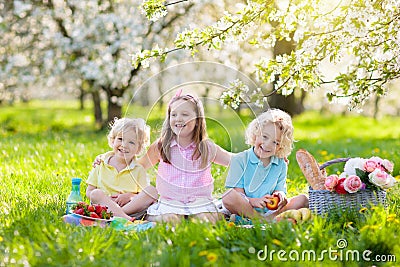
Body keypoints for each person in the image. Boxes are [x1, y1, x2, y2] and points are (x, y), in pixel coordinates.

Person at [138, 90, 232, 224]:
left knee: (205, 221)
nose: (178, 118)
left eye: (185, 114)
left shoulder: (206, 147)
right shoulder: (161, 146)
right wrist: (107, 160)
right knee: (172, 221)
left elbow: (234, 160)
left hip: (199, 201)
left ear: (198, 120)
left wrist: (259, 153)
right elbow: (139, 166)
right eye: (174, 114)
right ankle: (150, 216)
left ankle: (220, 216)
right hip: (170, 201)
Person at [222, 109, 308, 223]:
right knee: (229, 196)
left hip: (270, 211)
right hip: (245, 208)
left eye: (275, 142)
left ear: (281, 147)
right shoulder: (240, 160)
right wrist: (254, 201)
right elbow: (238, 194)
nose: (267, 145)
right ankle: (260, 220)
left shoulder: (280, 164)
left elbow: (280, 189)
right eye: (264, 137)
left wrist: (280, 196)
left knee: (303, 199)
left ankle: (264, 220)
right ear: (255, 134)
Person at [86, 117, 157, 221]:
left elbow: (141, 195)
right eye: (120, 139)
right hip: (104, 207)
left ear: (139, 148)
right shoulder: (101, 163)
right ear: (113, 140)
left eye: (131, 142)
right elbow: (90, 191)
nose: (124, 145)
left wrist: (130, 196)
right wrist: (106, 199)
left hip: (130, 210)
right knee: (95, 193)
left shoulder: (138, 169)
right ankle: (124, 219)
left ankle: (119, 215)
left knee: (152, 191)